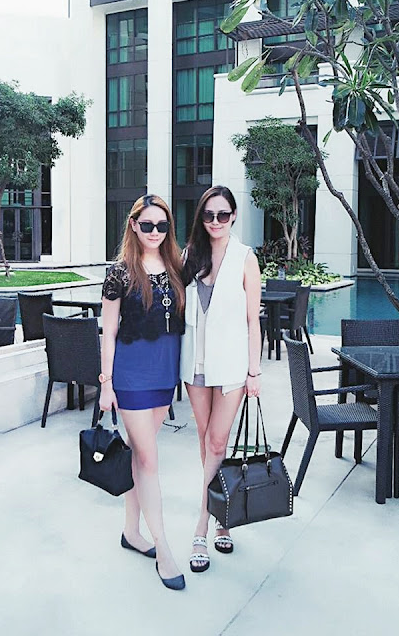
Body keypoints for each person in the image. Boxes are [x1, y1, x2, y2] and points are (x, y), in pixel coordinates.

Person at [99, 194, 187, 591]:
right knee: (149, 460)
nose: (154, 232)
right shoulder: (120, 272)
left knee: (139, 457)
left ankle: (131, 532)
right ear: (133, 224)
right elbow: (109, 331)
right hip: (131, 377)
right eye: (147, 224)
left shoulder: (176, 267)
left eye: (162, 225)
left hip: (164, 376)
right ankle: (163, 548)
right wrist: (106, 383)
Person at [180, 185, 262, 573]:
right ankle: (222, 515)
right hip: (195, 364)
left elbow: (252, 320)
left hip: (230, 366)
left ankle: (204, 522)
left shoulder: (246, 258)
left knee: (216, 441)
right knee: (206, 441)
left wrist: (254, 371)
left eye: (222, 215)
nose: (215, 222)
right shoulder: (189, 256)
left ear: (233, 216)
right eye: (209, 215)